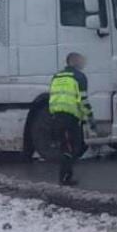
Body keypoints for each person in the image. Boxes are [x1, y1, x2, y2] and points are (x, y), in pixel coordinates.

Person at [47, 51, 93, 185]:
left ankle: (66, 175)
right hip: (70, 118)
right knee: (70, 148)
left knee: (68, 146)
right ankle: (64, 178)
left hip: (56, 116)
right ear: (74, 62)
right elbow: (83, 100)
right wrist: (91, 119)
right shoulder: (79, 77)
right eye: (80, 60)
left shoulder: (57, 76)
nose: (83, 63)